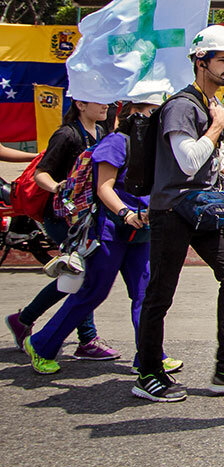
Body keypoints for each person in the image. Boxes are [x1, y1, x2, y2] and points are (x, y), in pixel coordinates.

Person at [133, 25, 224, 403]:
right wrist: (218, 124)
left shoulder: (211, 104)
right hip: (172, 210)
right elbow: (187, 159)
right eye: (222, 60)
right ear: (200, 61)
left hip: (205, 207)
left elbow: (208, 157)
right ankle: (148, 372)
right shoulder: (181, 105)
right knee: (160, 294)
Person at [23, 94, 184, 376]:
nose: (159, 118)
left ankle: (149, 357)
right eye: (153, 111)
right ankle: (41, 344)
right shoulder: (116, 142)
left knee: (145, 295)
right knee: (92, 293)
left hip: (142, 232)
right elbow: (103, 188)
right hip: (111, 231)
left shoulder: (154, 144)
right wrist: (126, 214)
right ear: (135, 112)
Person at [6, 98, 116, 360]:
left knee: (77, 274)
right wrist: (57, 187)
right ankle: (86, 339)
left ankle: (24, 319)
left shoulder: (101, 131)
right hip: (60, 218)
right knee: (81, 273)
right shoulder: (66, 135)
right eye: (99, 101)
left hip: (84, 217)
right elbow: (41, 174)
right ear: (80, 104)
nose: (105, 106)